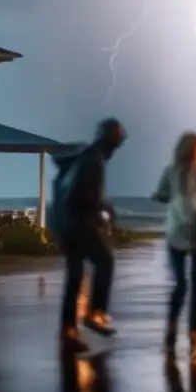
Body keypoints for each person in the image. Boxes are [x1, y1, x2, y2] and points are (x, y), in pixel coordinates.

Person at [59, 118, 127, 354]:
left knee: (75, 278)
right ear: (110, 141)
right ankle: (95, 314)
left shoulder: (85, 157)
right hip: (79, 224)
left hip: (66, 224)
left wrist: (103, 206)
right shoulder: (94, 160)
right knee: (105, 260)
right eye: (116, 145)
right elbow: (90, 196)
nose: (115, 151)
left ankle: (69, 332)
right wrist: (104, 211)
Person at [152, 131, 196, 365]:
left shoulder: (173, 172)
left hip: (183, 233)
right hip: (191, 234)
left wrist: (163, 197)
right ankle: (192, 334)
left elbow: (161, 194)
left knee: (183, 284)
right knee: (193, 285)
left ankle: (177, 330)